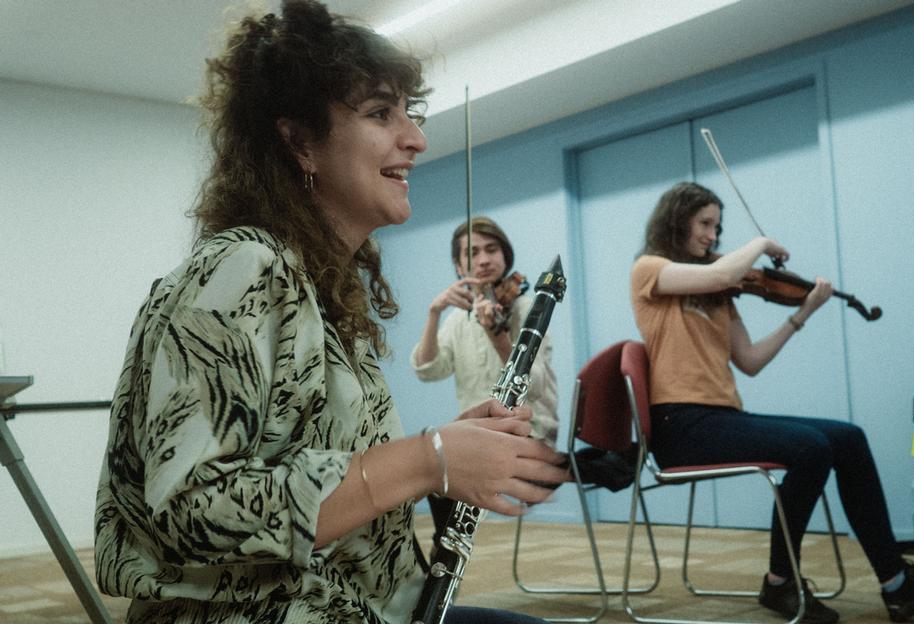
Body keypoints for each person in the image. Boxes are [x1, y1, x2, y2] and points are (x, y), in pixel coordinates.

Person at [92, 2, 566, 623]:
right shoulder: (244, 268)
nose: (416, 139)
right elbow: (188, 510)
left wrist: (445, 458)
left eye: (408, 113)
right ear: (299, 141)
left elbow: (319, 468)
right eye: (379, 113)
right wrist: (426, 458)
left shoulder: (322, 289)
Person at [630, 181, 914, 623]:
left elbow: (749, 361)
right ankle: (779, 582)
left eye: (717, 226)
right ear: (676, 221)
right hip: (680, 425)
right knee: (811, 447)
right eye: (705, 224)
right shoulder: (649, 269)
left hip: (722, 417)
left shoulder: (720, 297)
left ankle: (897, 583)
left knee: (847, 438)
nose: (713, 236)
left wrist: (801, 315)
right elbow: (721, 272)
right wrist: (760, 243)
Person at [411, 216, 558, 446]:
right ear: (459, 266)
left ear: (505, 257)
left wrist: (496, 334)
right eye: (472, 253)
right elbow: (428, 371)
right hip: (481, 437)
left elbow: (536, 387)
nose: (484, 260)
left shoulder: (527, 309)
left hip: (528, 435)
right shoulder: (459, 318)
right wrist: (434, 312)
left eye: (492, 250)